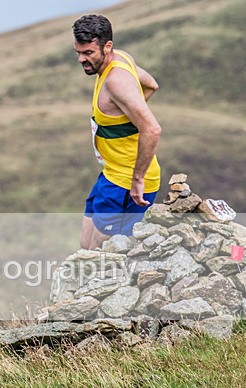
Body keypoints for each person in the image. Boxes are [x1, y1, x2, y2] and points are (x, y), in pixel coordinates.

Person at [73, 14, 162, 250]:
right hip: (111, 174)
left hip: (127, 184)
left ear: (107, 46)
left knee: (99, 253)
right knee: (84, 244)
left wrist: (137, 179)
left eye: (88, 53)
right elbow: (151, 84)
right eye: (78, 52)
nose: (81, 59)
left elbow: (152, 129)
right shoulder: (122, 57)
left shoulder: (116, 81)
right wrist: (127, 116)